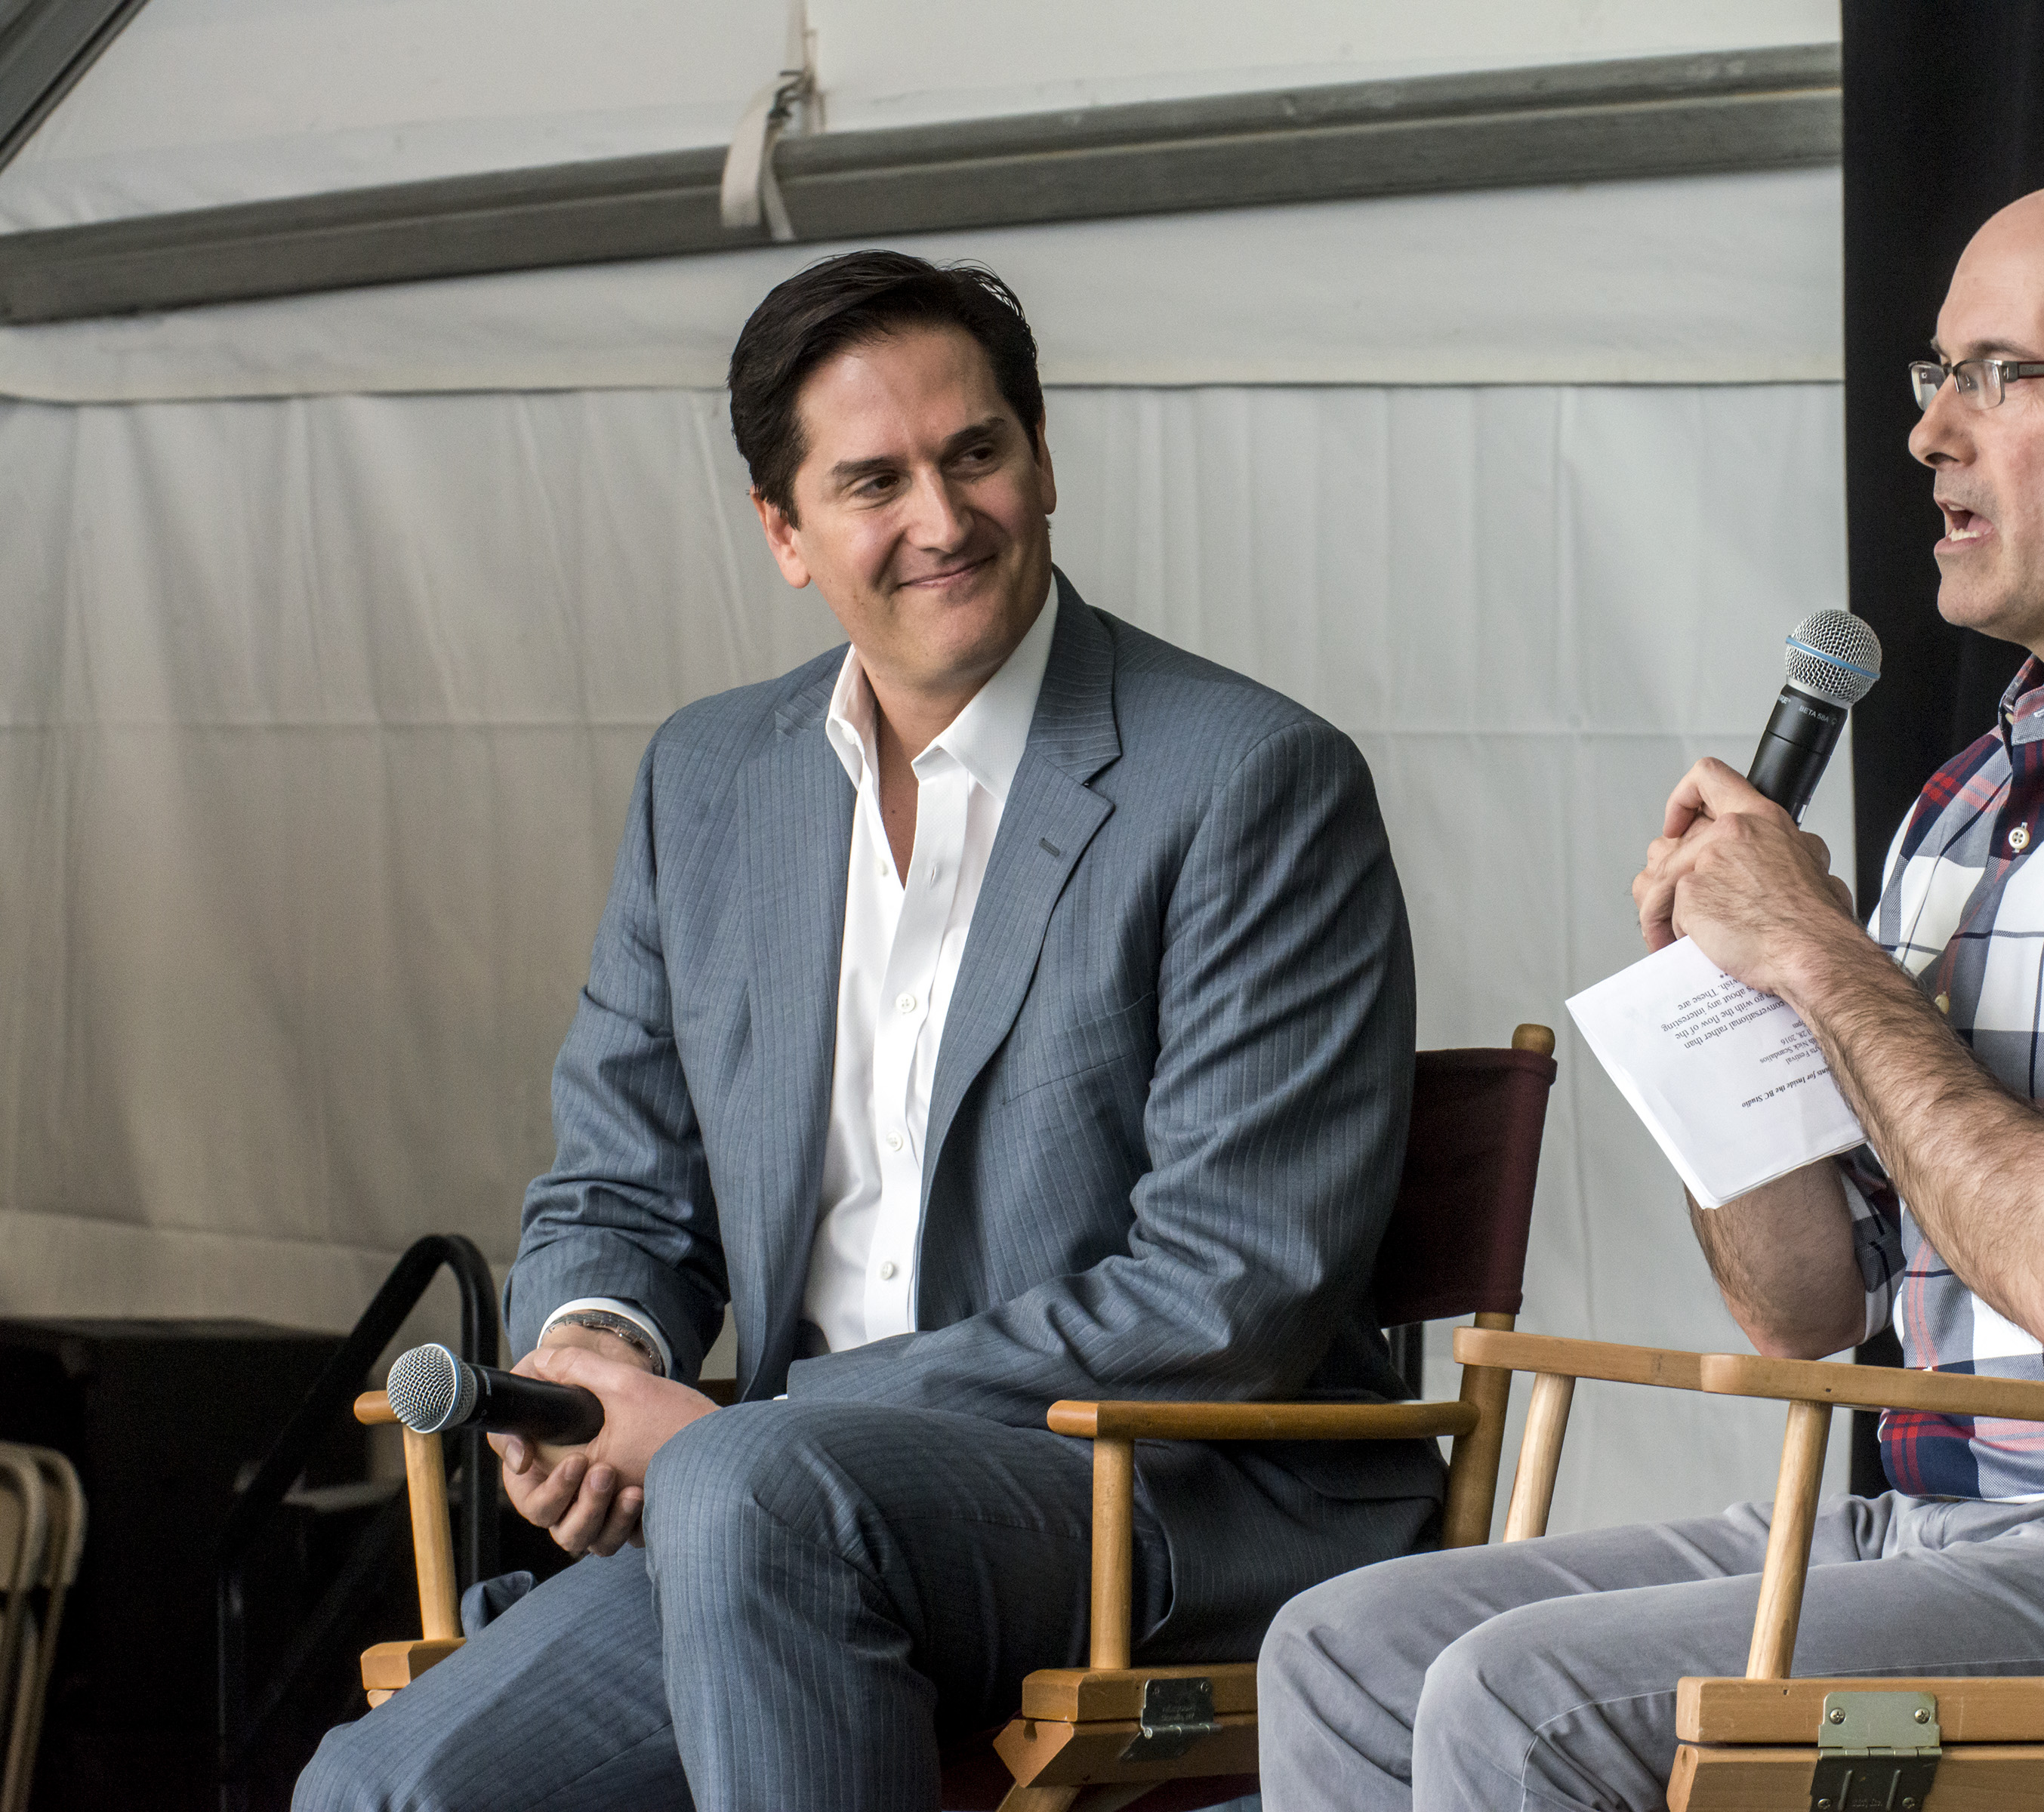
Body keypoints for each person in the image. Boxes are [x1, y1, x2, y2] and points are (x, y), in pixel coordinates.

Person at [1256, 175, 2044, 1808]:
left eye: (1996, 374)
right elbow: (1808, 1303)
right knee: (1341, 1650)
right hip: (1939, 1523)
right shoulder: (1962, 802)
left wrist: (1821, 957)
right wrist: (1727, 1018)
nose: (1932, 433)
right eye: (1932, 377)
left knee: (1525, 1699)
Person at [299, 251, 1438, 1811]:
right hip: (762, 1506)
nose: (942, 519)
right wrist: (592, 1358)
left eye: (975, 454)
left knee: (754, 1487)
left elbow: (1229, 1289)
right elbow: (617, 1186)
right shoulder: (708, 782)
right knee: (380, 1794)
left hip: (1154, 1493)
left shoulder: (1248, 781)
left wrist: (726, 1429)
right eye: (872, 481)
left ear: (1042, 461)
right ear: (784, 531)